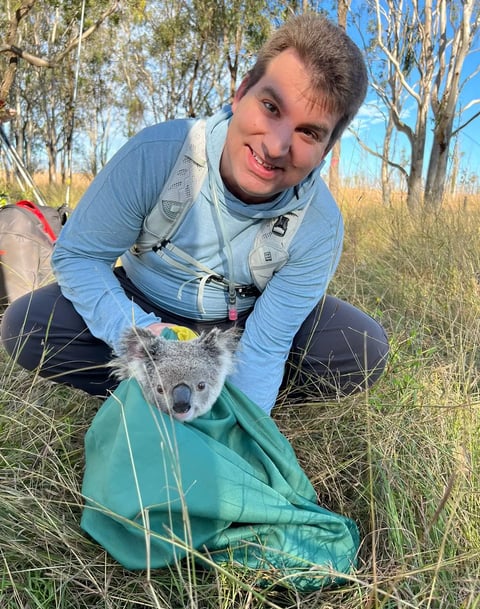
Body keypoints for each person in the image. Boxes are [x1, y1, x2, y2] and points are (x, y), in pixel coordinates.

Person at [1, 14, 388, 416]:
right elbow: (77, 256)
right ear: (241, 93)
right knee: (27, 325)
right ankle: (152, 390)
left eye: (309, 132)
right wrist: (148, 339)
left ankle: (218, 399)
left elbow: (266, 344)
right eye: (271, 107)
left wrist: (240, 431)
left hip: (243, 327)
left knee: (360, 347)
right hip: (144, 308)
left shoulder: (319, 226)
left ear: (326, 150)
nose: (276, 146)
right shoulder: (157, 155)